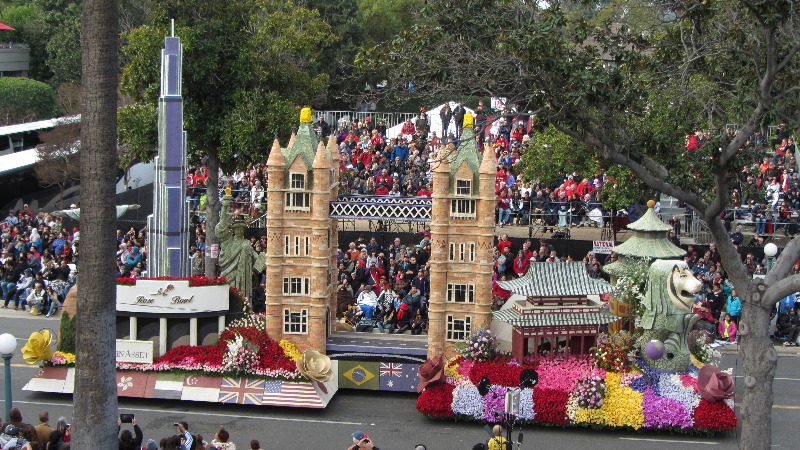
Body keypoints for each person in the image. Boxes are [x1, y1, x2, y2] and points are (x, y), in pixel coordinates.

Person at [216, 195, 266, 300]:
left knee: (243, 302)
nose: (239, 231)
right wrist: (225, 208)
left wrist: (264, 258)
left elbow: (257, 261)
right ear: (233, 230)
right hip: (229, 277)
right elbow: (220, 230)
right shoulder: (228, 242)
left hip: (244, 281)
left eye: (241, 229)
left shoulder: (247, 244)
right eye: (237, 229)